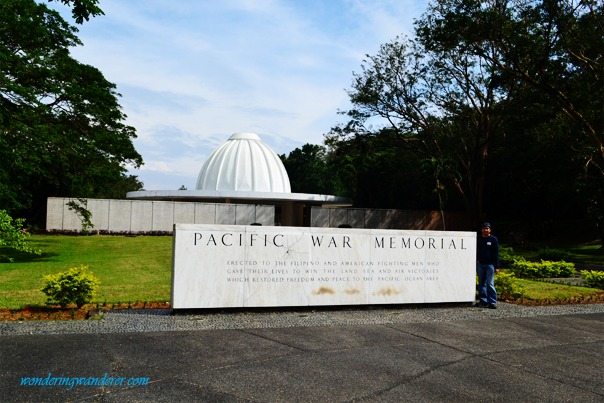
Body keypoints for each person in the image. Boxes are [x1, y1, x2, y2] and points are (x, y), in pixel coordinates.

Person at [475, 222, 499, 309]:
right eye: (484, 228)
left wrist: (497, 266)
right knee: (481, 283)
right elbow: (474, 250)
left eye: (487, 228)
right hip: (480, 264)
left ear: (490, 230)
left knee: (490, 283)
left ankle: (492, 302)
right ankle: (483, 301)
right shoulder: (478, 238)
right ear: (481, 230)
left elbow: (496, 254)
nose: (485, 230)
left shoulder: (493, 239)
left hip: (490, 265)